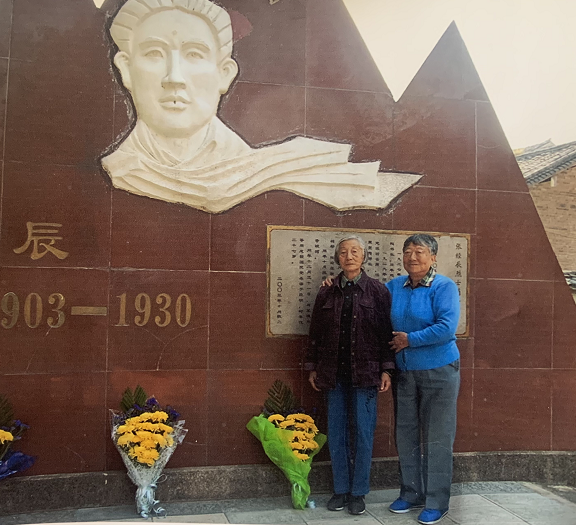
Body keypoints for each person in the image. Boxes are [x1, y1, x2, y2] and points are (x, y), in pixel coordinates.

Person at [102, 0, 421, 213]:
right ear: (126, 70)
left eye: (194, 55)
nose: (174, 77)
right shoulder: (124, 168)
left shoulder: (288, 166)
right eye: (154, 54)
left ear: (224, 74)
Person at [306, 235, 395, 516]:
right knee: (336, 433)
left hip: (365, 374)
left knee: (363, 433)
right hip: (333, 374)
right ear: (337, 258)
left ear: (364, 256)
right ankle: (341, 490)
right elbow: (315, 332)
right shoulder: (327, 292)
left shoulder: (377, 291)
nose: (349, 256)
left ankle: (358, 493)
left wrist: (386, 369)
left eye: (355, 251)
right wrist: (312, 366)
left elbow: (386, 332)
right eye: (343, 252)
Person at [386, 234, 461, 525]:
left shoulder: (444, 286)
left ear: (433, 257)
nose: (413, 257)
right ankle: (411, 492)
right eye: (408, 251)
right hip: (405, 372)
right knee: (405, 434)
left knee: (437, 436)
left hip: (439, 370)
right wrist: (334, 283)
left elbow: (446, 326)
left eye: (420, 251)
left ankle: (436, 502)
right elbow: (369, 303)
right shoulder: (394, 286)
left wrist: (410, 340)